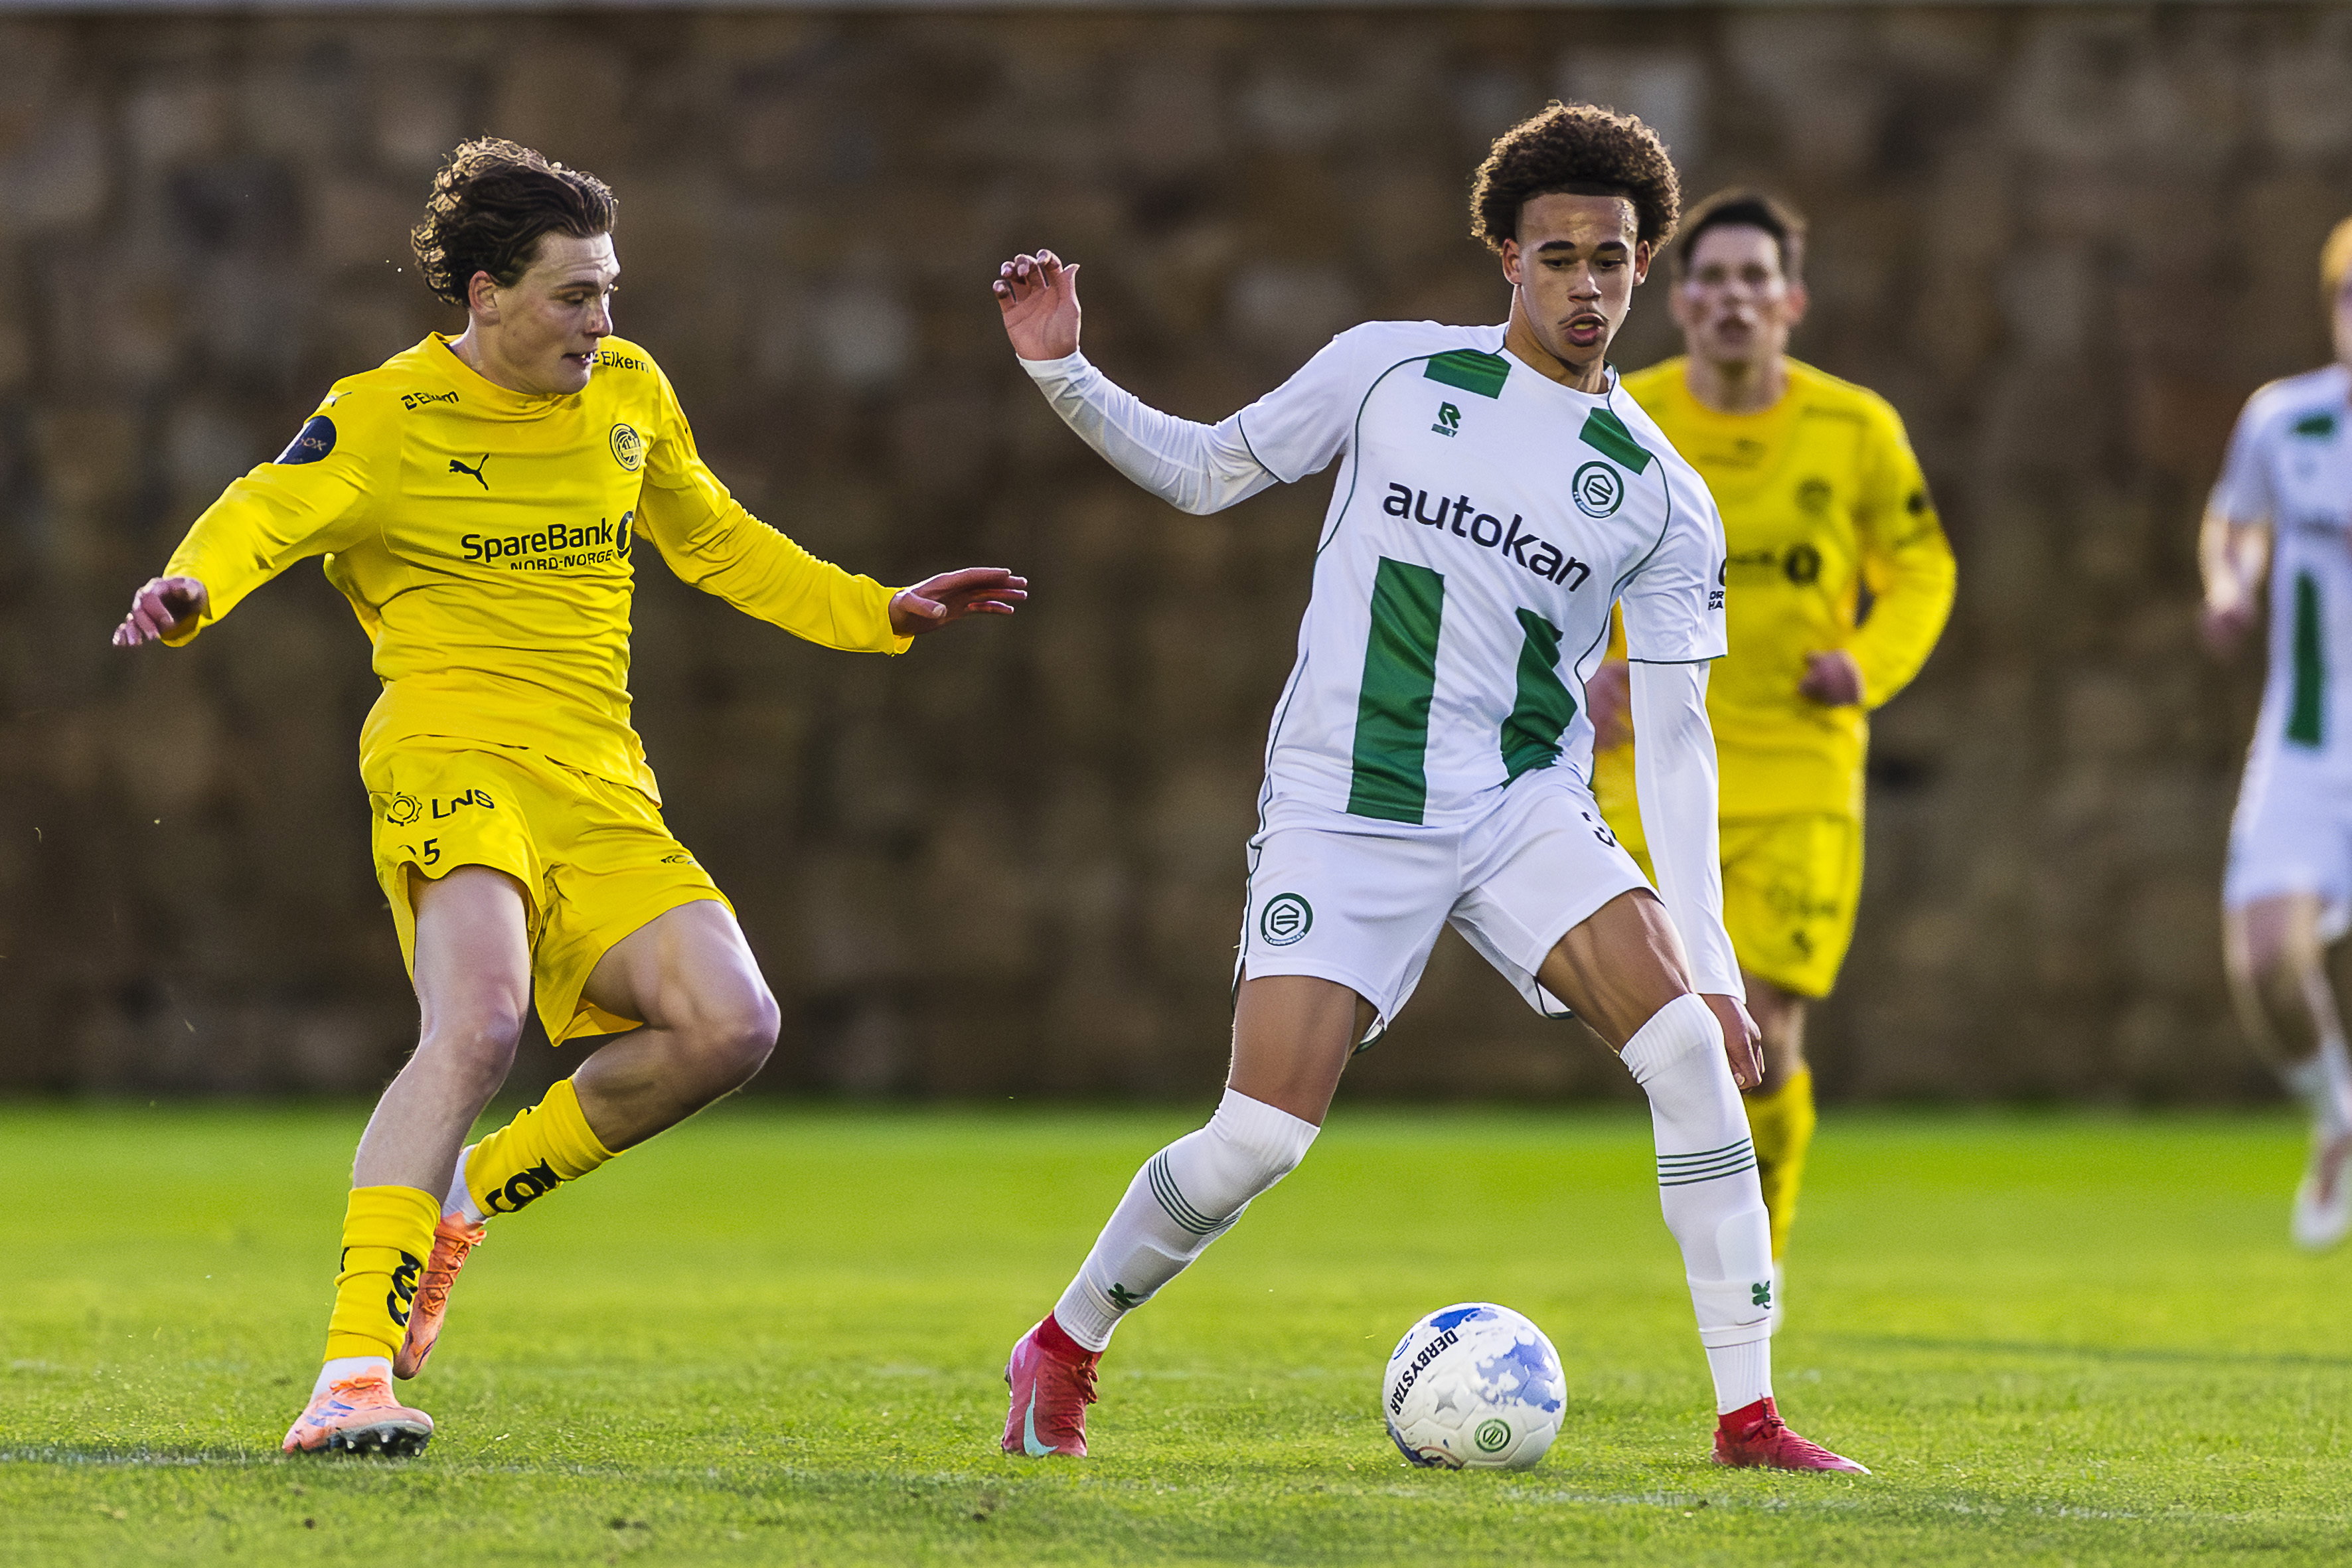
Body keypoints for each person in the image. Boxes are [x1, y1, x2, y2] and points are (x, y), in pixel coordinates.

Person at [112, 137, 1025, 1456]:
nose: (602, 323)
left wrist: (874, 609)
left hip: (595, 775)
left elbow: (713, 536)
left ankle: (469, 1193)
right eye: (571, 296)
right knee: (476, 1022)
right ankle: (351, 1375)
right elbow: (262, 511)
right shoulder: (382, 413)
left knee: (733, 1023)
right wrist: (191, 592)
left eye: (608, 293)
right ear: (484, 295)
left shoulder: (631, 392)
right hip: (447, 754)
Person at [988, 104, 1864, 1472]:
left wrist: (1707, 959)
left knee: (1692, 1054)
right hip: (1344, 805)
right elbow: (1210, 472)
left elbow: (1681, 737)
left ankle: (1747, 1416)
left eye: (1613, 259)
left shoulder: (1662, 493)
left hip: (1517, 806)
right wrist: (1066, 373)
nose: (1587, 285)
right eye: (1559, 255)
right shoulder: (1389, 373)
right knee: (1258, 1137)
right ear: (1504, 257)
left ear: (1643, 268)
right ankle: (1063, 1340)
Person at [1583, 191, 1956, 1298]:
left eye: (1757, 279)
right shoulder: (1617, 414)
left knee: (1767, 1034)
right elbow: (1542, 564)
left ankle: (1759, 1256)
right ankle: (1728, 1240)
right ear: (1677, 296)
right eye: (1712, 279)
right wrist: (1573, 677)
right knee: (1673, 1040)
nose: (1733, 299)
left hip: (1799, 774)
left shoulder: (1857, 431)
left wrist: (1867, 666)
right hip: (1647, 775)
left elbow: (1923, 570)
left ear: (1791, 301)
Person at [2201, 214, 2352, 1250]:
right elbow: (2235, 519)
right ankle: (2338, 1116)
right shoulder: (2285, 419)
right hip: (2309, 739)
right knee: (2263, 957)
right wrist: (2230, 581)